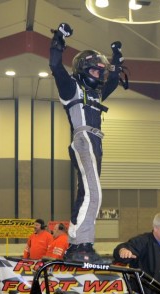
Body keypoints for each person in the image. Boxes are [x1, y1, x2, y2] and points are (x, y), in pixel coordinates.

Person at [49, 23, 126, 264]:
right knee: (94, 194)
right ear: (84, 69)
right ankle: (80, 244)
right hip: (83, 139)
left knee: (87, 193)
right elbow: (55, 66)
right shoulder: (71, 88)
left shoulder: (96, 93)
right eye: (95, 71)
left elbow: (113, 80)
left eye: (100, 72)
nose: (98, 75)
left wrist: (116, 58)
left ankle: (82, 244)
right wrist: (59, 40)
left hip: (96, 142)